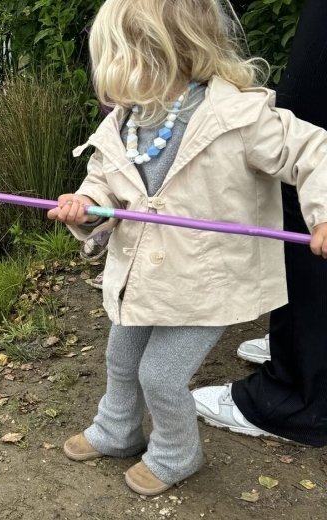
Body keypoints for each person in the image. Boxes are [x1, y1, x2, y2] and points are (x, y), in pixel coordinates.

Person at [48, 0, 327, 496]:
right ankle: (117, 430)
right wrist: (86, 206)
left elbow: (311, 150)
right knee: (120, 356)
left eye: (116, 56)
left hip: (205, 281)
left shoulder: (237, 116)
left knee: (159, 374)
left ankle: (177, 454)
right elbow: (103, 185)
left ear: (163, 55)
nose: (105, 74)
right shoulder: (124, 123)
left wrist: (323, 211)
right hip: (145, 276)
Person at [192, 0, 327, 447]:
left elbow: (310, 149)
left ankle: (297, 396)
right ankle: (307, 346)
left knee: (307, 138)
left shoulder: (237, 111)